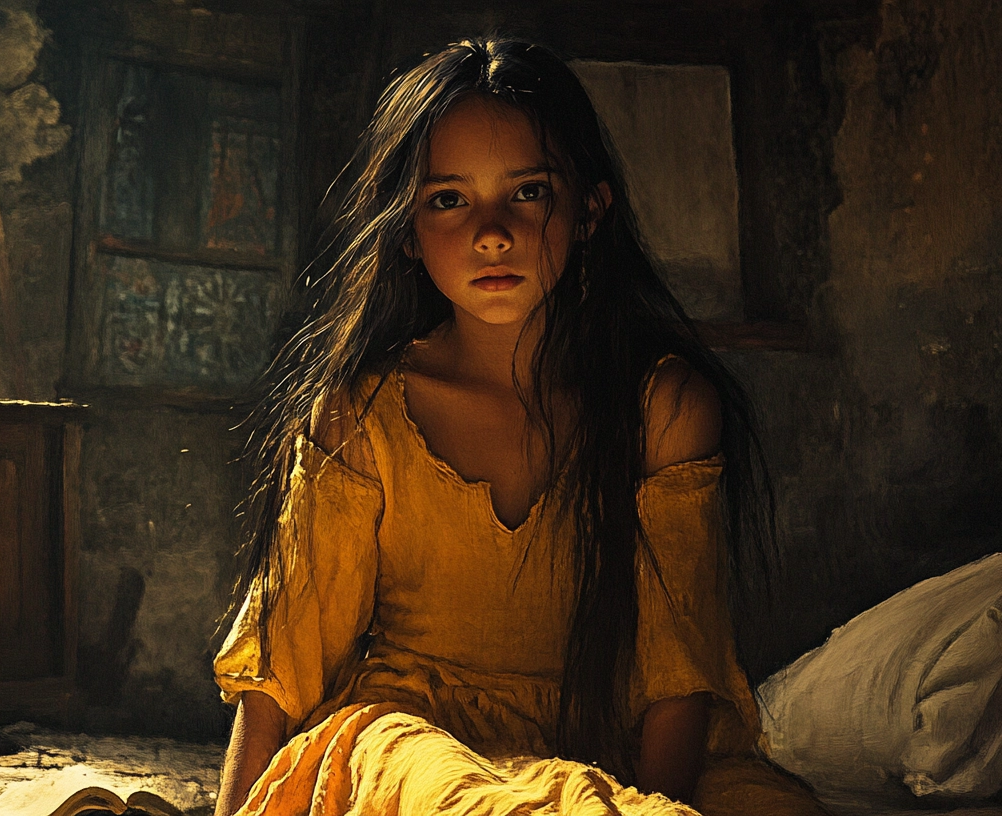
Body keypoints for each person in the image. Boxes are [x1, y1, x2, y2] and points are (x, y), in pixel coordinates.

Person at [211, 37, 831, 816]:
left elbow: (677, 678)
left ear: (591, 211)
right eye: (448, 200)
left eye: (528, 193)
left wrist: (643, 808)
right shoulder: (362, 412)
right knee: (468, 800)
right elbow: (284, 668)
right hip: (414, 740)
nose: (492, 232)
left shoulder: (664, 410)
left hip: (608, 738)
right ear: (406, 230)